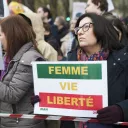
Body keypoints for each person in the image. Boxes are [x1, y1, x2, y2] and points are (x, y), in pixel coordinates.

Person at [61, 13, 128, 128]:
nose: (80, 32)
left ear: (100, 28)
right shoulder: (69, 61)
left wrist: (122, 110)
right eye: (78, 29)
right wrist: (43, 101)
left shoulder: (123, 60)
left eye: (86, 27)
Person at [0, 15, 46, 128]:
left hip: (22, 123)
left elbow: (12, 94)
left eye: (0, 34)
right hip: (11, 121)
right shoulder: (9, 56)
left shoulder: (29, 58)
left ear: (12, 36)